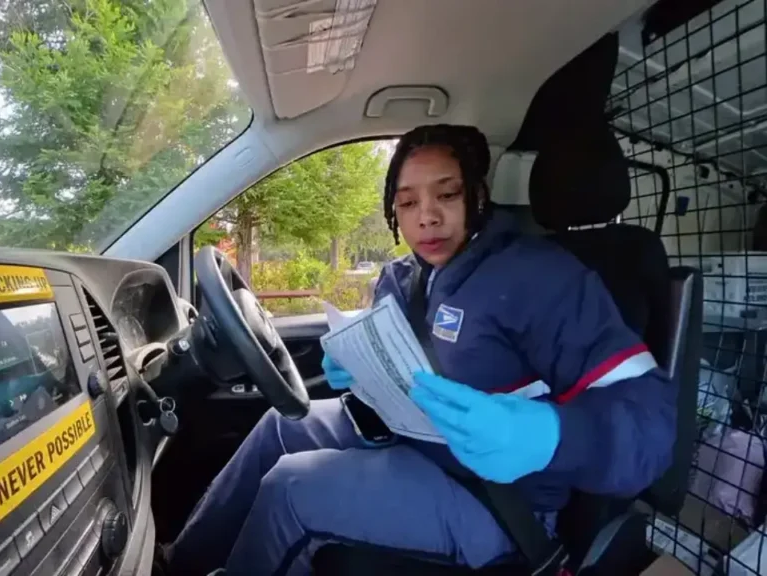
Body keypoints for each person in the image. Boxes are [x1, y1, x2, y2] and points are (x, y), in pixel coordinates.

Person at [165, 124, 677, 576]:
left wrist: (547, 435)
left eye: (446, 196)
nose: (426, 218)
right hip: (409, 442)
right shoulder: (402, 278)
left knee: (292, 486)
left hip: (497, 499)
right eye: (408, 203)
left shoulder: (542, 278)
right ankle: (177, 563)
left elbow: (653, 426)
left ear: (476, 195)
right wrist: (355, 368)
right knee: (282, 424)